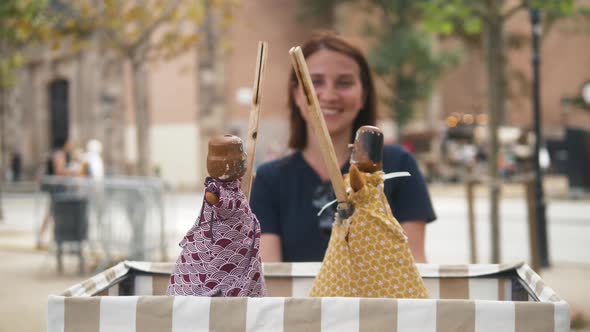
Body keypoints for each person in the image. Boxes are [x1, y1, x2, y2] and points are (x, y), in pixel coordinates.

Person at [250, 32, 436, 263]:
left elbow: (415, 265)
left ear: (363, 95)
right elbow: (271, 276)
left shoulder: (398, 166)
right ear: (296, 94)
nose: (329, 95)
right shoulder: (269, 179)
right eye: (315, 82)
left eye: (344, 83)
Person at [36, 138, 82, 249]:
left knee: (52, 213)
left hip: (56, 188)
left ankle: (46, 238)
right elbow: (59, 171)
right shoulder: (59, 154)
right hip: (57, 188)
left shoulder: (55, 153)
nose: (71, 146)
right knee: (55, 213)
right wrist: (73, 171)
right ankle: (51, 238)